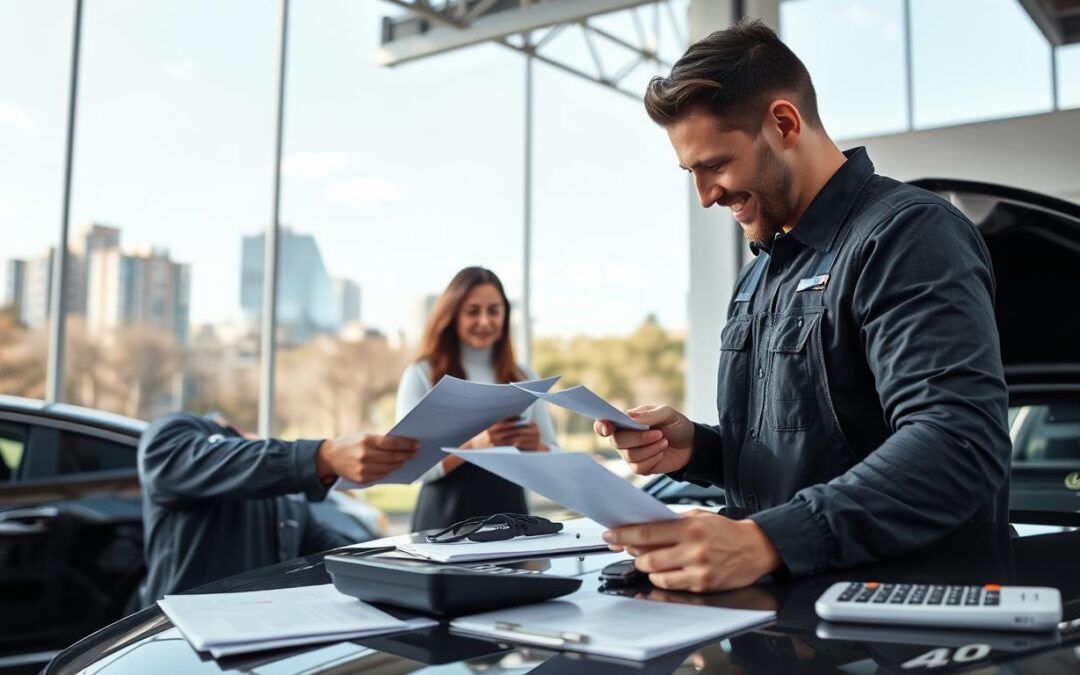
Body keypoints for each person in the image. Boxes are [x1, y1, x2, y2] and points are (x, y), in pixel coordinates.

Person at [595, 20, 1010, 592]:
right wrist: (701, 449)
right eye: (691, 173)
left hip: (894, 626)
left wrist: (766, 541)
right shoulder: (760, 272)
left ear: (784, 123)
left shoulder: (909, 235)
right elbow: (819, 447)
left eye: (715, 164)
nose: (706, 194)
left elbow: (956, 442)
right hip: (773, 620)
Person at [138, 410, 419, 605]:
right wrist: (321, 457)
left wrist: (410, 563)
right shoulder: (177, 430)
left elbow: (334, 557)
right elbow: (191, 460)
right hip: (176, 643)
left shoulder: (288, 505)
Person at [396, 266, 557, 531]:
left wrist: (536, 447)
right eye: (473, 311)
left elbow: (553, 457)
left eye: (494, 310)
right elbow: (409, 468)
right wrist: (474, 446)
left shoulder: (525, 375)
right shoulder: (421, 374)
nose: (485, 321)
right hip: (443, 522)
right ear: (453, 314)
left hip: (512, 521)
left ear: (505, 315)